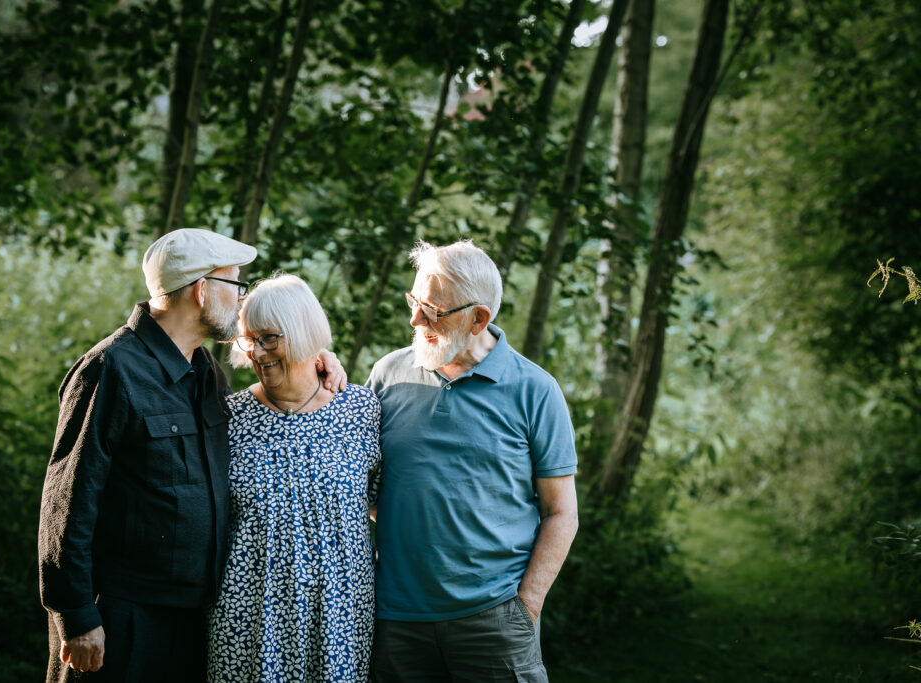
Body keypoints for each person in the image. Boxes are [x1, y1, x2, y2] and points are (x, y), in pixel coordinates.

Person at [38, 229, 345, 682]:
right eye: (235, 285)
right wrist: (76, 615)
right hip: (120, 617)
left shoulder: (207, 374)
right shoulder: (111, 369)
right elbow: (65, 502)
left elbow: (278, 398)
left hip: (191, 620)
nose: (241, 300)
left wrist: (315, 356)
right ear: (203, 290)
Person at [366, 240, 579, 682]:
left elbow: (561, 512)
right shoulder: (387, 375)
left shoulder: (535, 390)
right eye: (414, 301)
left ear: (479, 317)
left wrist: (527, 606)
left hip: (494, 621)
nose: (414, 319)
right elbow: (365, 487)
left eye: (432, 310)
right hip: (396, 620)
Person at [207, 273, 381, 683]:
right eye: (248, 339)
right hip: (248, 618)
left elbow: (381, 506)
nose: (257, 352)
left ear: (304, 333)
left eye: (269, 338)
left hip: (341, 616)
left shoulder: (360, 410)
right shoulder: (226, 418)